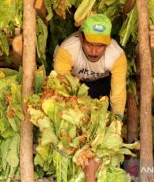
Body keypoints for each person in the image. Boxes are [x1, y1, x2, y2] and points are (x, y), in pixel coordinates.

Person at [53, 13, 127, 181]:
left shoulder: (116, 56)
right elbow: (62, 92)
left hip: (102, 85)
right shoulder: (67, 50)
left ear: (108, 43)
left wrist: (117, 122)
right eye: (89, 45)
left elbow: (117, 94)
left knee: (104, 127)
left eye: (100, 46)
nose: (94, 51)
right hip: (74, 88)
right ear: (81, 39)